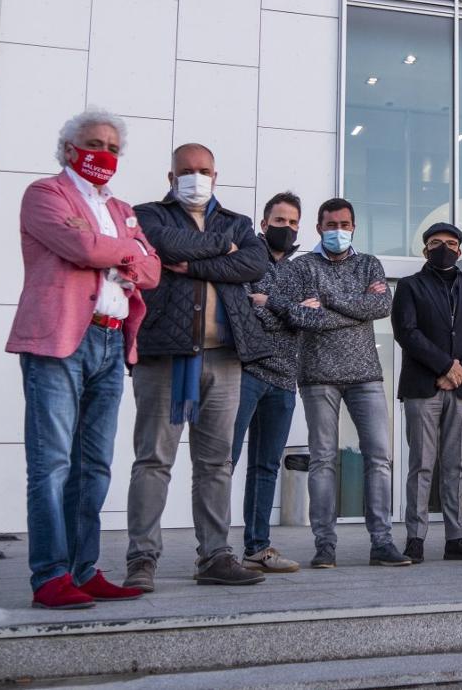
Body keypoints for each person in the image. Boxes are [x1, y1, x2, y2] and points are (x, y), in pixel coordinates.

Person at [8, 109, 161, 609]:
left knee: (93, 464)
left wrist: (110, 247)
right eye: (96, 143)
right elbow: (78, 246)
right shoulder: (46, 195)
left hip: (111, 341)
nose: (106, 155)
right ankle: (50, 576)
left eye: (115, 148)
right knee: (52, 463)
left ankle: (82, 568)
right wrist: (124, 250)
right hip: (58, 342)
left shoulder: (118, 207)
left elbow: (153, 270)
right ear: (70, 148)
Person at [124, 144, 270, 590]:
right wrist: (220, 252)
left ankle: (215, 556)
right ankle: (142, 559)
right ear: (171, 177)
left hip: (224, 356)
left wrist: (192, 262)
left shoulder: (239, 223)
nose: (195, 177)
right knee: (153, 459)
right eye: (186, 171)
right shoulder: (147, 214)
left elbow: (255, 261)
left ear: (216, 174)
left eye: (203, 170)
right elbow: (162, 244)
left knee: (215, 463)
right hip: (164, 354)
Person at [277, 198, 407, 569]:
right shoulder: (301, 267)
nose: (338, 231)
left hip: (365, 375)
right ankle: (325, 546)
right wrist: (354, 309)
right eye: (331, 224)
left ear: (354, 227)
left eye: (345, 224)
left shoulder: (369, 264)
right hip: (317, 376)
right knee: (322, 461)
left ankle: (382, 543)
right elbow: (298, 315)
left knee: (379, 459)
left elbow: (380, 308)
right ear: (318, 228)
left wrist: (329, 301)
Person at [392, 222, 462, 562]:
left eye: (450, 243)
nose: (444, 248)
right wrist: (444, 367)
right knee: (421, 464)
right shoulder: (409, 286)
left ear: (460, 251)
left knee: (456, 466)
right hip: (423, 387)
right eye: (436, 243)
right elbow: (406, 332)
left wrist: (460, 371)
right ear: (425, 250)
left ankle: (457, 538)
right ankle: (415, 538)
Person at [229, 192, 304, 574]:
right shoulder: (246, 258)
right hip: (245, 373)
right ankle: (211, 549)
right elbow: (242, 311)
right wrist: (289, 313)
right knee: (223, 461)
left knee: (266, 466)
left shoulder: (300, 271)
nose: (286, 228)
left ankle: (256, 548)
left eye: (293, 223)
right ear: (263, 223)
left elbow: (310, 320)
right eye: (280, 221)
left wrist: (269, 305)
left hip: (284, 380)